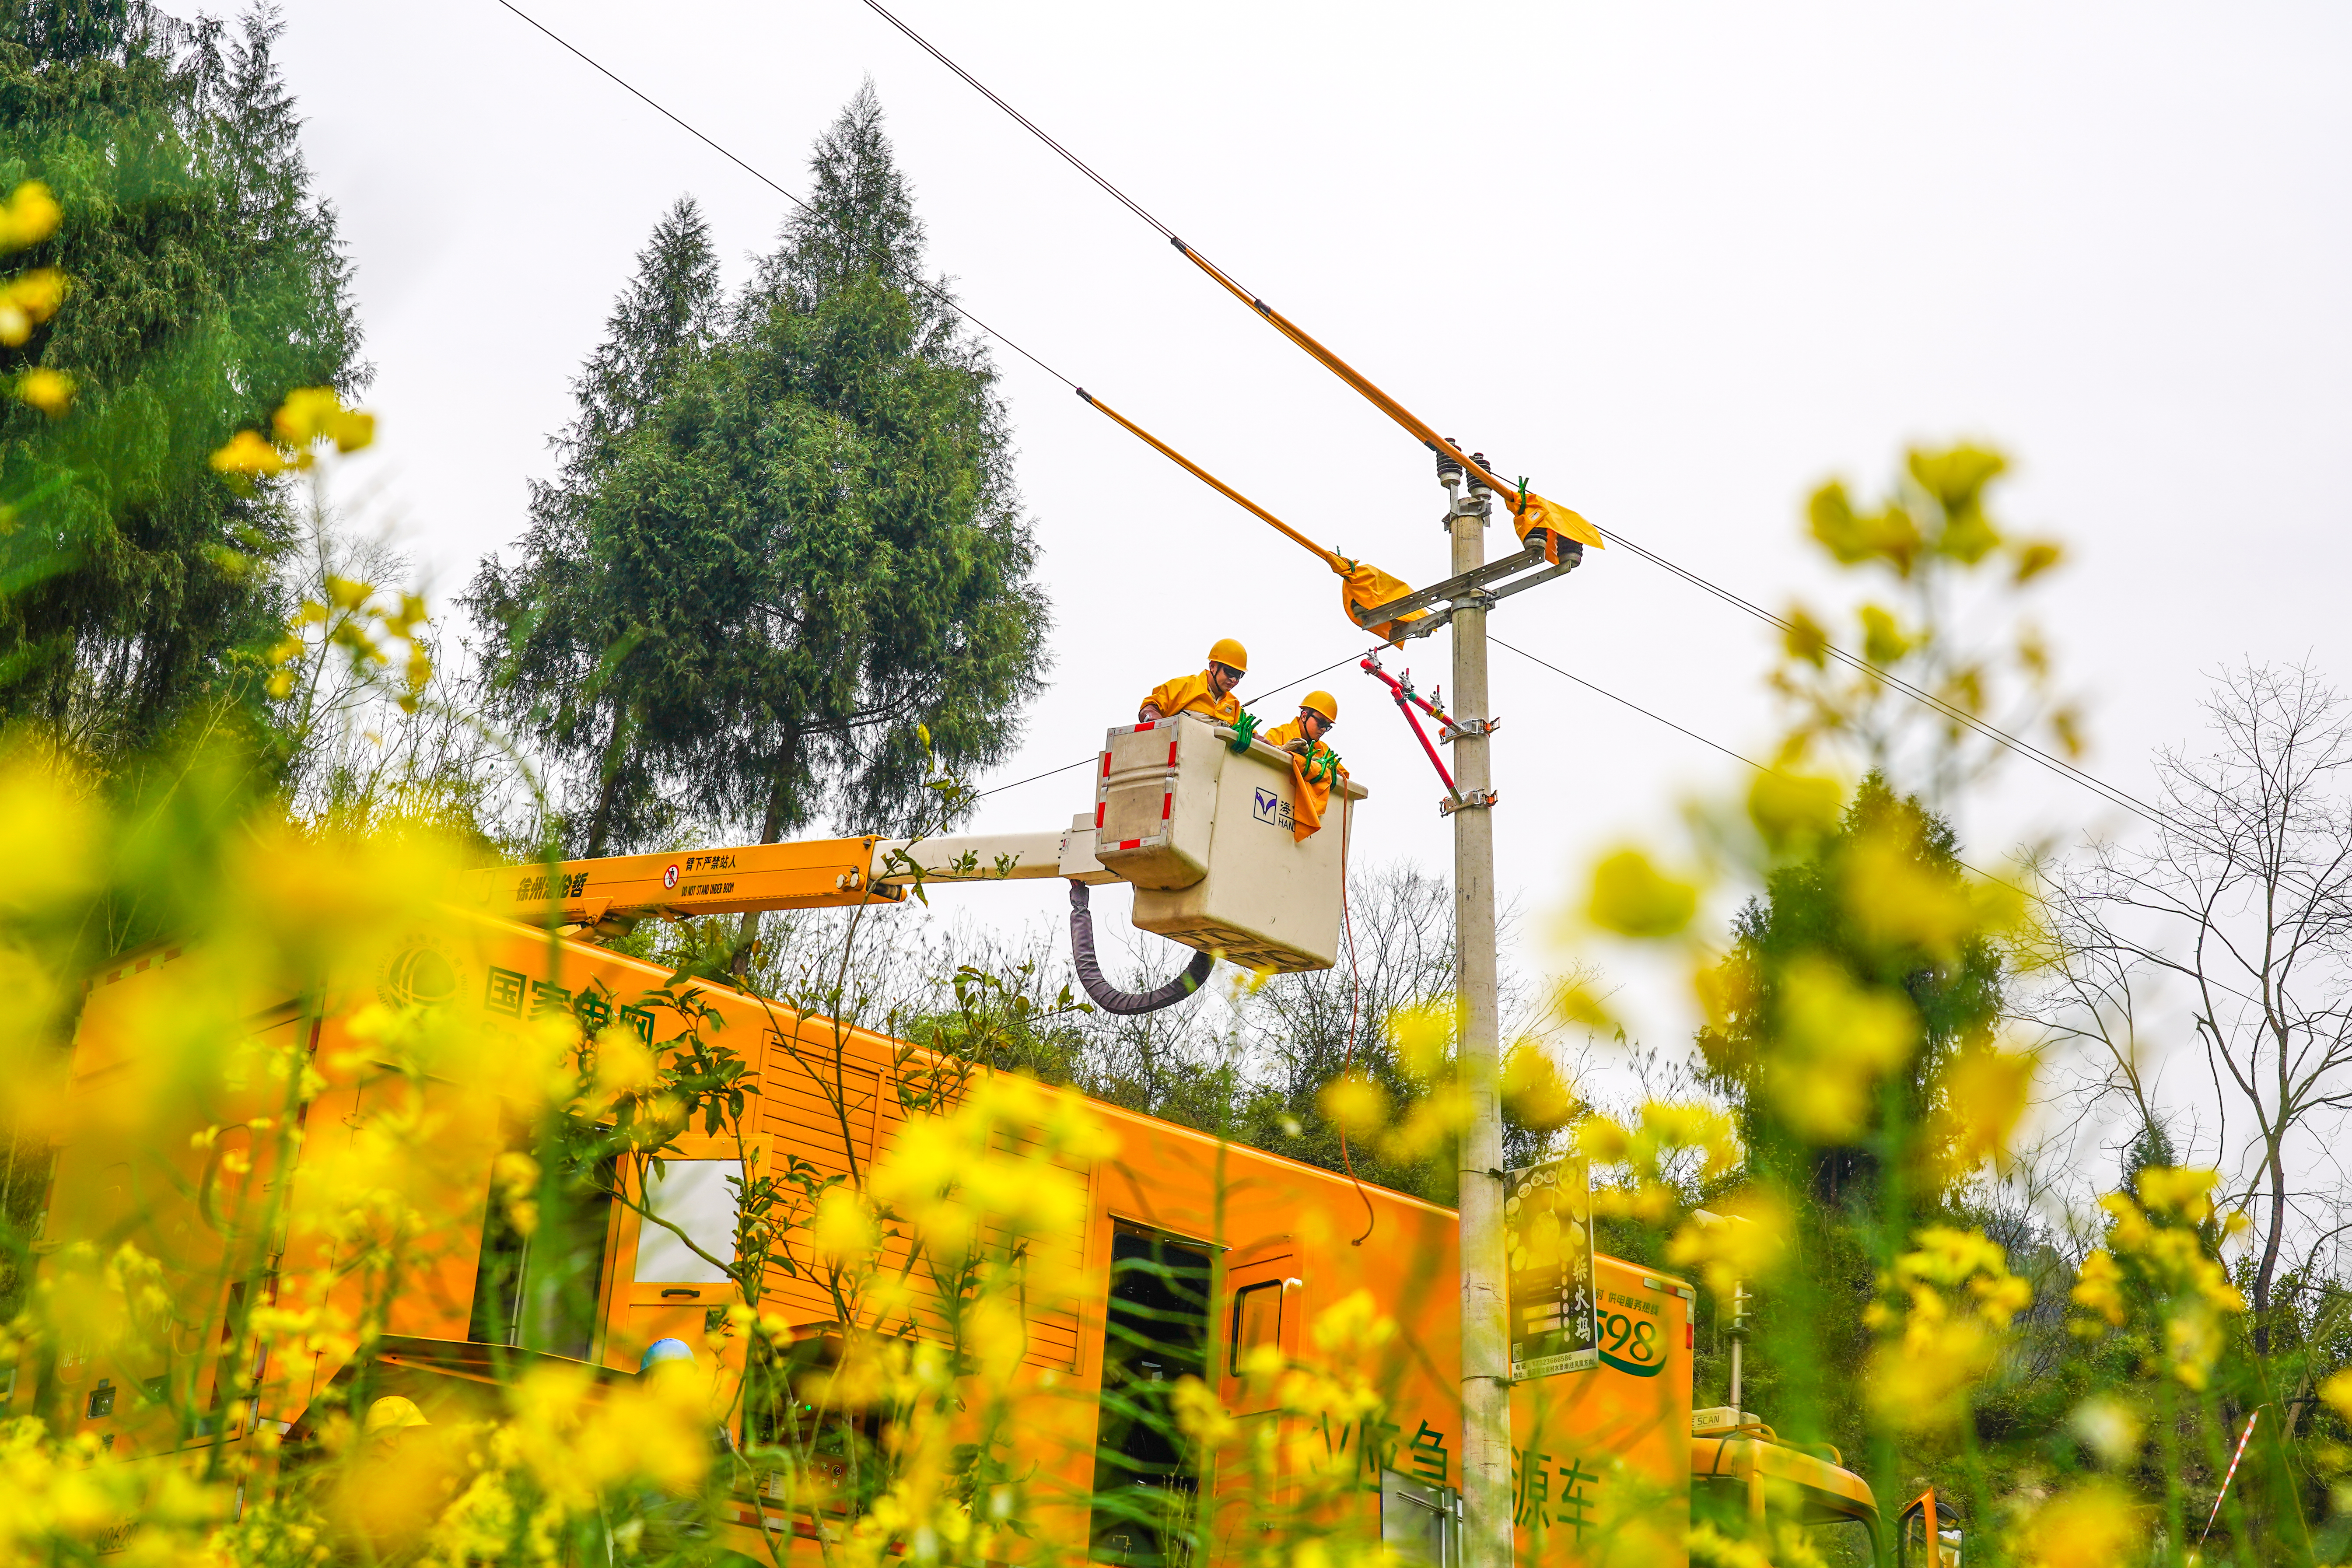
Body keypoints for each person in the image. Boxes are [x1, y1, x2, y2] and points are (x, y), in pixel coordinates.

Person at [1259, 691, 1345, 842]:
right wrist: (1283, 751)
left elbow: (1343, 777)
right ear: (1304, 716)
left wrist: (1316, 763)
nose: (1324, 730)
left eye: (1328, 727)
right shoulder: (1279, 735)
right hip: (1275, 803)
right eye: (1321, 724)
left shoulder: (1323, 750)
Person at [1138, 638, 1247, 724]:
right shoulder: (1184, 687)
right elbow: (1148, 709)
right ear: (1213, 666)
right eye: (1230, 672)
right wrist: (1161, 729)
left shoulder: (1234, 705)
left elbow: (1253, 736)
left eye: (1239, 675)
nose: (1234, 680)